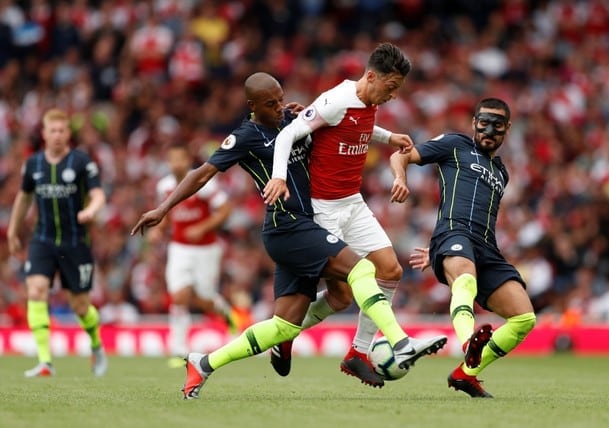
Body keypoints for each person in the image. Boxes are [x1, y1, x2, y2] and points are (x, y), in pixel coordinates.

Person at [131, 72, 446, 399]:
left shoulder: (291, 119)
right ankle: (400, 342)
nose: (279, 107)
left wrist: (387, 136)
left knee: (293, 320)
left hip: (306, 225)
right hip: (289, 226)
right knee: (363, 270)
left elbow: (341, 124)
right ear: (252, 106)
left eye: (281, 99)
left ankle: (204, 363)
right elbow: (201, 174)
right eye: (271, 103)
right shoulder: (245, 137)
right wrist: (163, 208)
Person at [262, 42, 414, 387]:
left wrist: (389, 137)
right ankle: (283, 335)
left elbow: (355, 127)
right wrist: (279, 176)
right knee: (342, 295)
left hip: (353, 202)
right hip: (324, 208)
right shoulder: (336, 100)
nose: (393, 96)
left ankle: (359, 352)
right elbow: (288, 134)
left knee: (390, 270)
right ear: (371, 76)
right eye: (391, 87)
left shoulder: (368, 101)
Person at [389, 98, 537, 398]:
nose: (489, 130)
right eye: (484, 123)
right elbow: (400, 156)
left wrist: (438, 256)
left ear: (507, 128)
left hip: (486, 248)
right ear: (474, 123)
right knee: (465, 279)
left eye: (497, 125)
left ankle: (465, 374)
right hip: (454, 232)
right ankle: (469, 342)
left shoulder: (502, 172)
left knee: (524, 318)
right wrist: (401, 178)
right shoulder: (455, 144)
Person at [7, 108, 108, 378]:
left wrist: (91, 210)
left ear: (68, 133)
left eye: (62, 130)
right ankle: (45, 361)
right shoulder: (33, 164)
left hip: (75, 242)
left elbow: (98, 194)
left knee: (81, 307)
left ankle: (96, 344)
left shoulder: (81, 162)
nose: (57, 135)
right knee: (36, 290)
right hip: (43, 240)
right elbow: (24, 198)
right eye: (52, 130)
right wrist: (13, 230)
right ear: (44, 133)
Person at [148, 143, 234, 368]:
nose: (176, 164)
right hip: (179, 248)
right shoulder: (164, 186)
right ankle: (178, 350)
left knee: (204, 299)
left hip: (206, 249)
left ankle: (226, 313)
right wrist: (158, 230)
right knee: (179, 295)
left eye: (181, 159)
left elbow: (225, 210)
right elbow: (167, 214)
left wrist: (202, 227)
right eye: (172, 159)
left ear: (188, 161)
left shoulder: (203, 183)